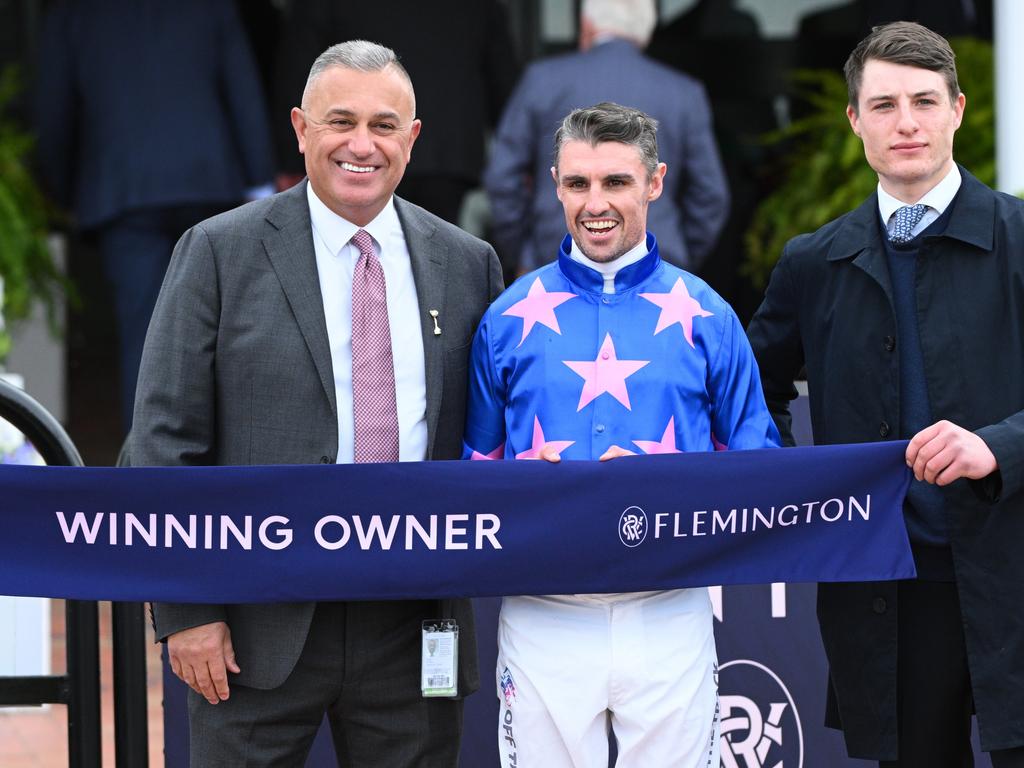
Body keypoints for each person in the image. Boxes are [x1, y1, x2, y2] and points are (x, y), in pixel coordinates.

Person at [132, 40, 503, 767]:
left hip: (413, 626)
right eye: (340, 122)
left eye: (384, 126)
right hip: (251, 631)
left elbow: (493, 440)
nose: (361, 145)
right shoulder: (217, 252)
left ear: (413, 139)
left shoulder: (466, 263)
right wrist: (187, 613)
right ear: (301, 130)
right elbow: (162, 441)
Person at [465, 102, 779, 768]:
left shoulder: (708, 315)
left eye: (616, 182)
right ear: (554, 183)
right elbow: (472, 478)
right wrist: (519, 483)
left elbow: (761, 476)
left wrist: (664, 482)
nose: (595, 203)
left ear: (655, 182)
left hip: (670, 608)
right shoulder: (505, 317)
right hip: (543, 610)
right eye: (578, 184)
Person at [747, 21, 1024, 767]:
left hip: (1016, 568)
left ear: (958, 110)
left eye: (925, 101)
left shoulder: (1021, 237)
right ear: (855, 120)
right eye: (885, 104)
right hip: (892, 588)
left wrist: (994, 445)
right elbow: (749, 390)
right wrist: (802, 488)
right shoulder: (814, 262)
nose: (906, 123)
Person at [33, 0, 275, 434]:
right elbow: (243, 91)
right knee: (225, 332)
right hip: (209, 183)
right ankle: (227, 464)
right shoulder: (209, 8)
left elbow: (53, 110)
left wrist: (60, 190)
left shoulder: (75, 12)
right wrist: (259, 183)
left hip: (123, 190)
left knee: (143, 337)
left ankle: (145, 475)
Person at [484, 0, 729, 275]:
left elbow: (503, 178)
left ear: (587, 25)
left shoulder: (541, 80)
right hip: (656, 267)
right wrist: (677, 255)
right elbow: (710, 195)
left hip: (553, 258)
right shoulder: (683, 92)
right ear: (646, 32)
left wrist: (524, 253)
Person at [272, 0, 520, 225]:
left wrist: (290, 161)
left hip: (431, 155)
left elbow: (296, 72)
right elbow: (503, 80)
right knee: (436, 253)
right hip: (447, 152)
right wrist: (519, 156)